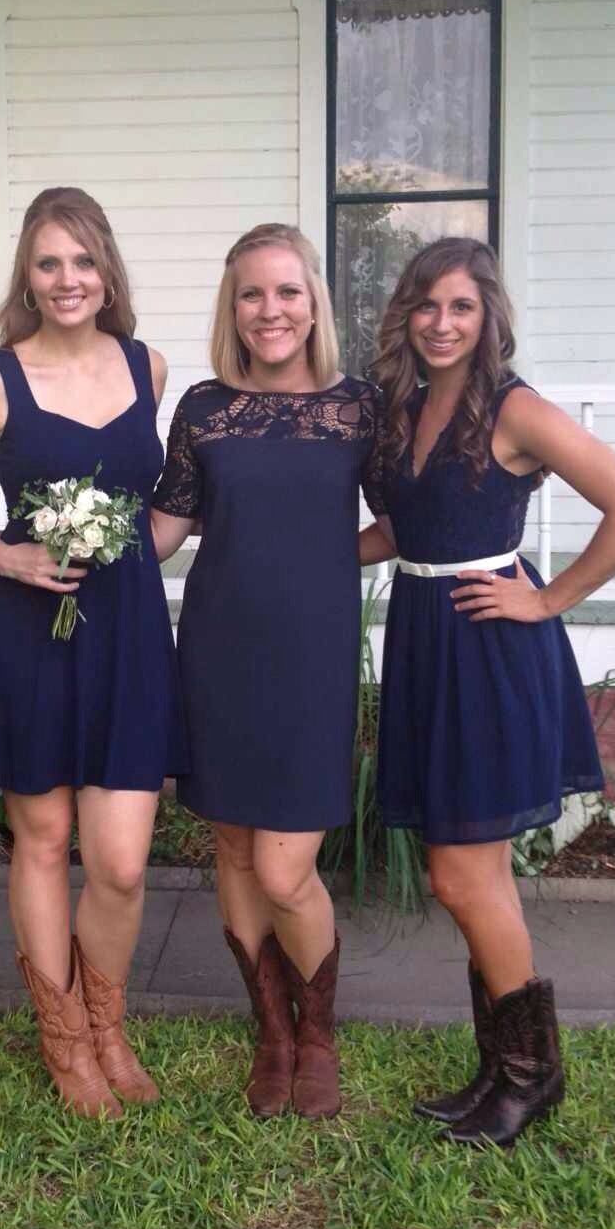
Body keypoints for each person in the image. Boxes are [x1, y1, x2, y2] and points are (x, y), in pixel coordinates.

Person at [360, 236, 615, 1147]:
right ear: (405, 315)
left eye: (461, 307)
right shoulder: (407, 404)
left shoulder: (513, 406)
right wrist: (295, 555)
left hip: (489, 645)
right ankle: (502, 1070)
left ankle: (530, 1076)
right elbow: (401, 527)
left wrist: (547, 600)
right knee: (471, 874)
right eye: (426, 305)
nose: (442, 323)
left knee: (463, 872)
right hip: (424, 635)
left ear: (488, 316)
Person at [0, 187, 185, 1119]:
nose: (68, 279)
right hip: (25, 631)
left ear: (108, 271)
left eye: (83, 261)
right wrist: (2, 553)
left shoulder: (149, 368)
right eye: (49, 264)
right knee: (42, 840)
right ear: (28, 278)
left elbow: (164, 504)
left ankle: (107, 1019)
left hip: (124, 626)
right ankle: (63, 1037)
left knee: (120, 861)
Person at [151, 223, 380, 1120]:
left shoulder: (359, 408)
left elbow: (402, 519)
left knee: (288, 869)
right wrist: (74, 539)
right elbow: (166, 528)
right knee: (237, 852)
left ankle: (317, 1033)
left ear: (314, 300)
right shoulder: (204, 408)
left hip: (312, 656)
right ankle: (273, 1035)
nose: (270, 310)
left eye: (287, 291)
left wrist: (322, 556)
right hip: (218, 648)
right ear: (232, 306)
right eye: (253, 293)